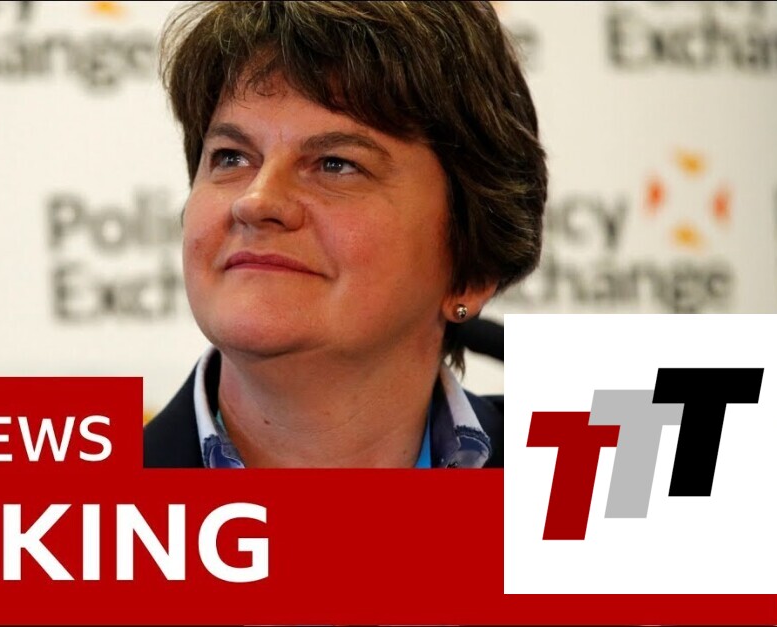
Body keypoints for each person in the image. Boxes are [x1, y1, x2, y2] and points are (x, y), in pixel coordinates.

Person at [144, 1, 546, 469]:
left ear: (471, 270)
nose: (256, 202)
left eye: (336, 164)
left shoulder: (598, 491)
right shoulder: (76, 506)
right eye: (231, 157)